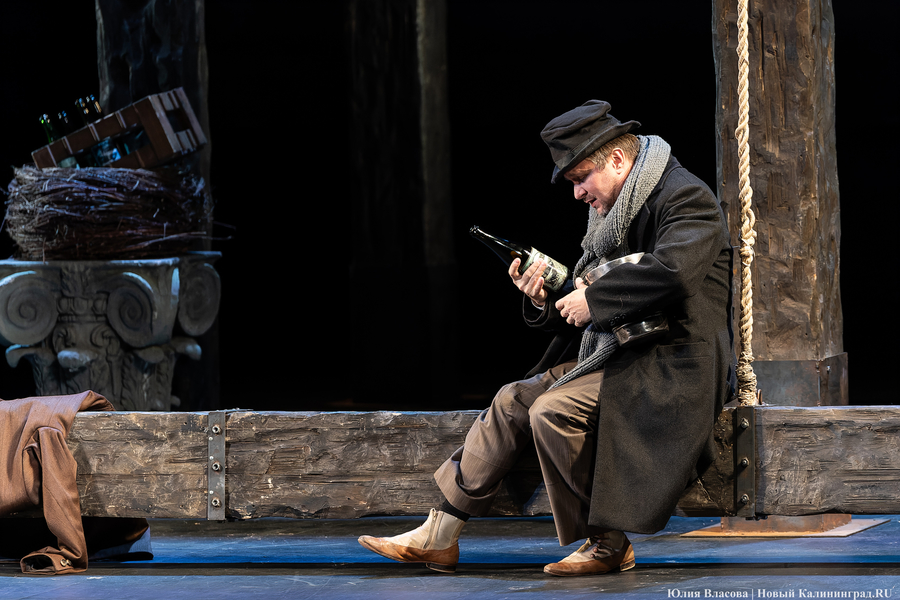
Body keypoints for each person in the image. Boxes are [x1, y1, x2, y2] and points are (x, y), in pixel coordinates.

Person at [358, 100, 736, 576]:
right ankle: (441, 532)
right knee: (512, 400)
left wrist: (593, 300)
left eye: (581, 178)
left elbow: (672, 273)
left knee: (552, 410)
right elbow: (595, 298)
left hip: (674, 362)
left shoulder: (686, 197)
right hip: (622, 353)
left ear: (618, 160)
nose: (577, 193)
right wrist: (547, 298)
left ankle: (608, 542)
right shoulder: (615, 210)